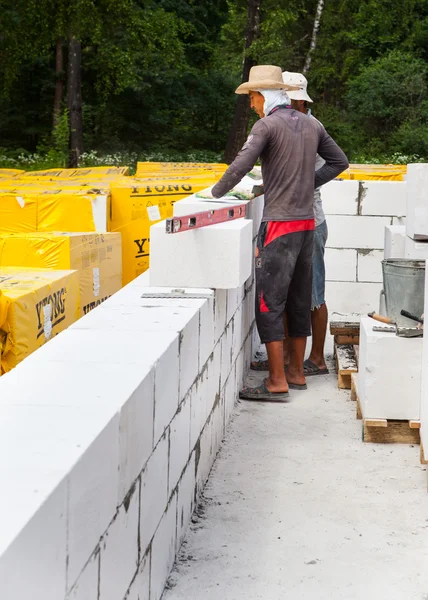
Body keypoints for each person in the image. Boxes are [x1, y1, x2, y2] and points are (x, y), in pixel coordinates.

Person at [209, 65, 348, 401]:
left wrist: (214, 194)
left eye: (252, 98)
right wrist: (306, 183)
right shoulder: (312, 124)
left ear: (263, 95)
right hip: (306, 225)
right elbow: (339, 161)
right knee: (299, 301)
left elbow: (241, 164)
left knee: (269, 303)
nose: (252, 104)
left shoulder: (267, 125)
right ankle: (297, 373)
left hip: (280, 226)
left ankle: (276, 381)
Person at [252, 71, 330, 377]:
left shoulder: (311, 127)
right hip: (295, 219)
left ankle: (317, 359)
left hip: (310, 220)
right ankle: (287, 360)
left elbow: (335, 164)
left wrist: (303, 184)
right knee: (288, 293)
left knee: (311, 294)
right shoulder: (288, 123)